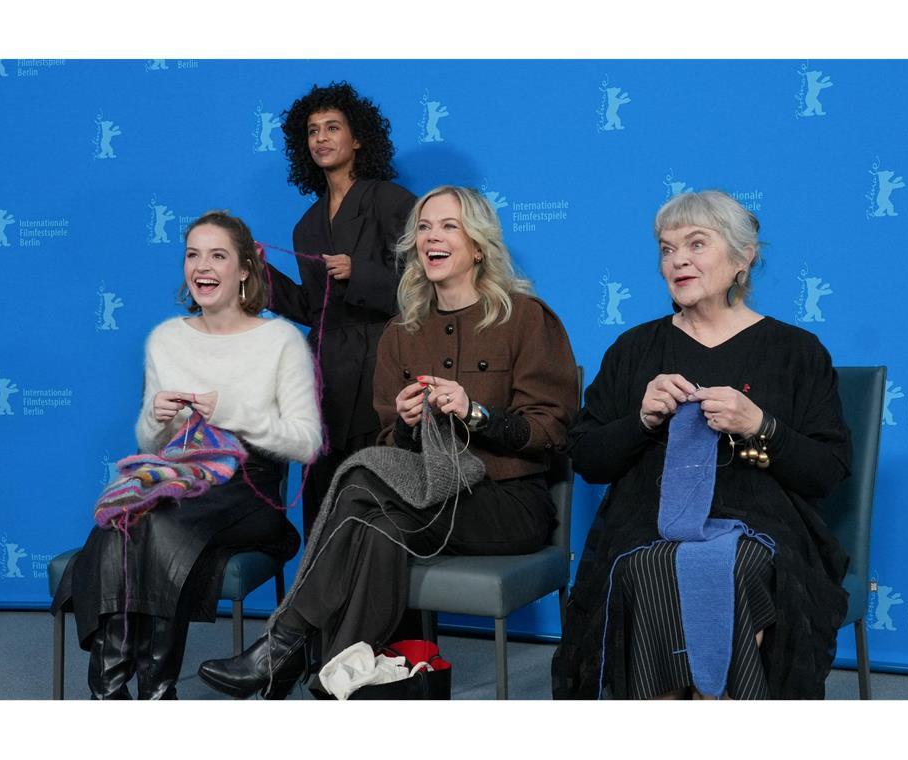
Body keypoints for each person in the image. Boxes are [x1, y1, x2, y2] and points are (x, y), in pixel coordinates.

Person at [197, 186, 578, 699]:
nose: (432, 237)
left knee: (357, 488)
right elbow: (390, 449)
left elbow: (553, 432)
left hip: (508, 503)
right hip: (426, 497)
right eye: (423, 227)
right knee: (373, 526)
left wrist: (476, 413)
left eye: (448, 226)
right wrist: (404, 424)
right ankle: (336, 678)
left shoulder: (526, 318)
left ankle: (281, 646)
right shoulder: (401, 332)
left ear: (479, 244)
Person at [551, 190, 851, 700]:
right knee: (648, 566)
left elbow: (825, 473)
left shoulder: (797, 351)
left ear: (742, 257)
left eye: (696, 244)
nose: (678, 260)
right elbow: (588, 459)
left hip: (763, 523)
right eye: (667, 249)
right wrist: (643, 419)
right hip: (646, 519)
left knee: (732, 567)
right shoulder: (633, 348)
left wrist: (761, 424)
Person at [51, 211, 322, 699]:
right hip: (180, 478)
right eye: (193, 254)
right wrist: (157, 418)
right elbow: (151, 447)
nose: (202, 266)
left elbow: (305, 441)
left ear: (245, 269)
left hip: (251, 489)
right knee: (127, 519)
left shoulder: (279, 339)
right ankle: (114, 692)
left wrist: (232, 410)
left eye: (218, 255)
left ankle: (150, 692)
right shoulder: (166, 338)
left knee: (155, 522)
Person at [267, 81, 417, 537]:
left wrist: (362, 273)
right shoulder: (306, 224)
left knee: (374, 492)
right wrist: (258, 278)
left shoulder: (390, 201)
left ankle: (385, 604)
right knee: (323, 498)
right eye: (313, 131)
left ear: (358, 139)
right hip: (324, 374)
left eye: (333, 128)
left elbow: (425, 289)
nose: (322, 139)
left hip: (381, 366)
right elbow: (315, 309)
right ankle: (321, 601)